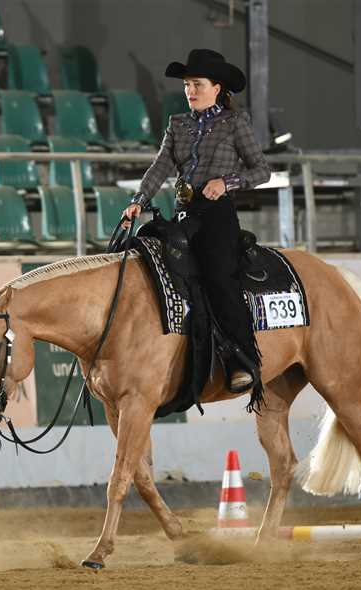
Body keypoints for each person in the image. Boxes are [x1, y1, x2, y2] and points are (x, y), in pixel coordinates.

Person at [122, 49, 271, 394]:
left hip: (217, 215)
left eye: (198, 84)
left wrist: (227, 182)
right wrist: (138, 200)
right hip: (184, 213)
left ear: (217, 88)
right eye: (187, 84)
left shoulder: (235, 122)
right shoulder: (178, 124)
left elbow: (261, 170)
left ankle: (242, 359)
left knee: (219, 277)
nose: (190, 90)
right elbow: (160, 166)